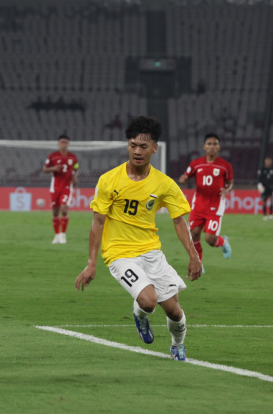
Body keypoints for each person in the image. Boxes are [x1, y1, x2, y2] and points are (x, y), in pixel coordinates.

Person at [75, 116, 202, 361]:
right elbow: (98, 222)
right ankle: (140, 315)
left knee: (174, 311)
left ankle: (178, 345)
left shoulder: (164, 184)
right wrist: (91, 263)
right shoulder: (109, 180)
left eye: (143, 146)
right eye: (133, 145)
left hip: (151, 252)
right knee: (149, 301)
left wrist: (193, 256)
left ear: (155, 148)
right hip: (119, 253)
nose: (137, 151)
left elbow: (179, 221)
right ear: (127, 145)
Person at [178, 133, 234, 265]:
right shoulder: (196, 163)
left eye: (215, 144)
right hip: (199, 204)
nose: (212, 146)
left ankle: (223, 242)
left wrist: (227, 189)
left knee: (210, 239)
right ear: (204, 146)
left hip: (215, 205)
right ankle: (199, 263)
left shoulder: (225, 166)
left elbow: (230, 182)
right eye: (209, 144)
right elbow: (186, 177)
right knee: (193, 234)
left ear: (219, 147)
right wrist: (183, 180)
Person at [42, 134, 78, 244]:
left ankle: (63, 235)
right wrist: (53, 168)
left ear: (68, 144)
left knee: (64, 209)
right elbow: (44, 169)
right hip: (55, 187)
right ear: (59, 143)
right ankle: (57, 235)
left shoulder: (73, 157)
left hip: (67, 187)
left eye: (66, 142)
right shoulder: (53, 156)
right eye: (62, 142)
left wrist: (75, 176)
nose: (64, 144)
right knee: (55, 212)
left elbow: (76, 168)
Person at [257, 156, 273, 221]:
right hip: (264, 187)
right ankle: (265, 215)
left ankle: (271, 214)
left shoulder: (272, 169)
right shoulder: (262, 169)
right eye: (267, 161)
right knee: (264, 201)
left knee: (272, 200)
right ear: (265, 161)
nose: (268, 162)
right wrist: (259, 185)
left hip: (271, 187)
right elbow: (259, 178)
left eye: (270, 161)